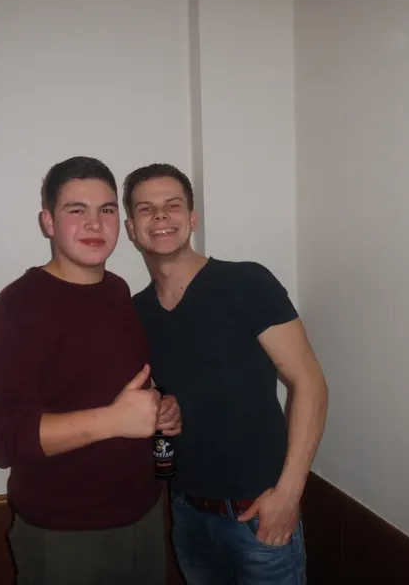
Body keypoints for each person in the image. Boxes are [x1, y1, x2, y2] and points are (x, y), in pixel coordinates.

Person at [0, 156, 181, 585]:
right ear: (48, 221)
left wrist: (161, 405)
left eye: (106, 210)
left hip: (146, 515)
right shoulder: (17, 307)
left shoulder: (118, 290)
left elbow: (119, 386)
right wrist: (112, 421)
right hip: (66, 536)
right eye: (76, 210)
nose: (94, 224)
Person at [124, 163, 328, 585]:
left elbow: (310, 382)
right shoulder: (136, 312)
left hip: (259, 513)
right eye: (146, 208)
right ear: (131, 228)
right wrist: (162, 406)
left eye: (172, 205)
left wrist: (289, 494)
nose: (160, 216)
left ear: (192, 218)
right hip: (186, 512)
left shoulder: (245, 283)